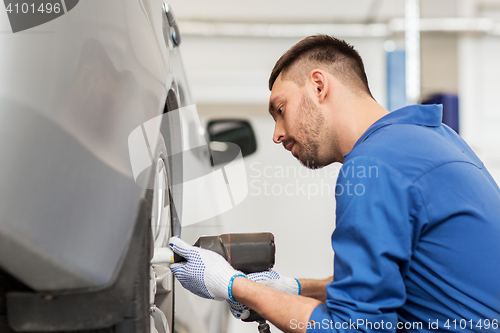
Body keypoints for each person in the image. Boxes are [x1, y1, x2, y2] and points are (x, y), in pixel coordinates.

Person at [168, 35, 500, 332]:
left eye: (280, 110)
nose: (276, 134)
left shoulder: (375, 165)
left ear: (318, 86)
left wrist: (234, 285)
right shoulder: (430, 139)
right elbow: (386, 285)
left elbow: (350, 328)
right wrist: (291, 288)